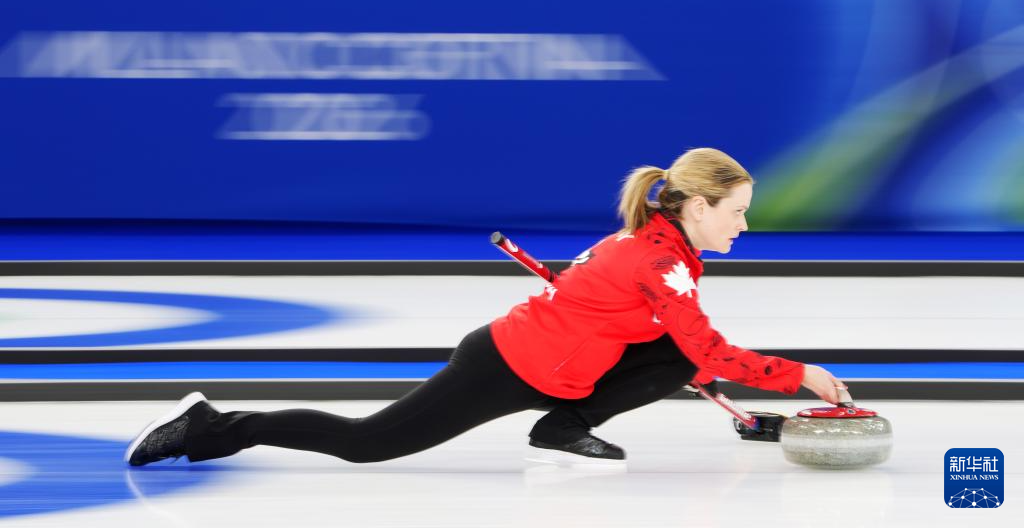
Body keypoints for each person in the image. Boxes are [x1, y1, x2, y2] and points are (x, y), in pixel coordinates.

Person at [126, 147, 847, 467]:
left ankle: (563, 425)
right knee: (367, 443)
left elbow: (678, 342)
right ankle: (214, 427)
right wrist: (801, 375)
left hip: (566, 364)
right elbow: (709, 348)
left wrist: (704, 370)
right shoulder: (659, 260)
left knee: (676, 356)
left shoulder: (663, 246)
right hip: (506, 364)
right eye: (737, 211)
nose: (744, 225)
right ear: (696, 206)